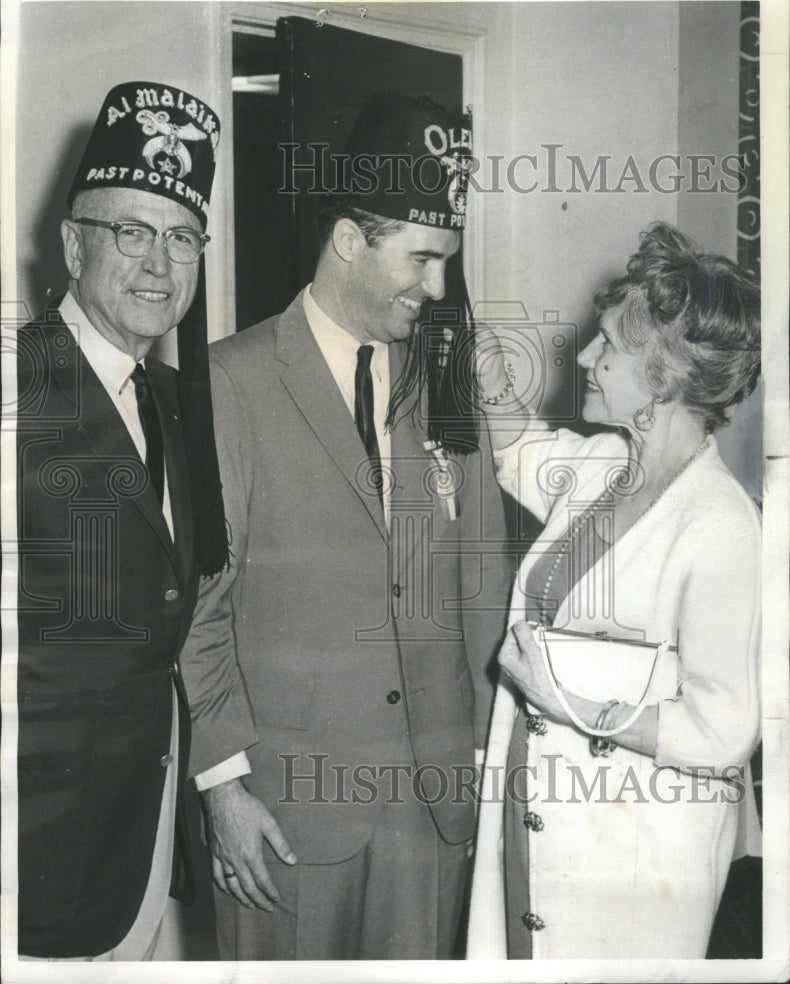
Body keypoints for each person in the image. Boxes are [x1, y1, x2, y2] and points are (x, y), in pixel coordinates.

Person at [178, 92, 511, 960]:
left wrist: (477, 766)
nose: (438, 287)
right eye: (423, 259)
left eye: (447, 262)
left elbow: (483, 587)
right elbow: (200, 606)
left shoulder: (445, 383)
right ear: (351, 239)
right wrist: (223, 788)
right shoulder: (227, 384)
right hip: (284, 815)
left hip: (433, 810)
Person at [467, 222, 762, 959]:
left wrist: (568, 701)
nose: (587, 357)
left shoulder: (723, 524)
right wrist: (486, 373)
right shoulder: (605, 466)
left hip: (637, 865)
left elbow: (724, 729)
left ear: (661, 377)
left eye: (609, 347)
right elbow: (520, 448)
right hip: (540, 829)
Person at [15, 80, 227, 960]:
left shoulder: (178, 403)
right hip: (30, 868)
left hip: (142, 845)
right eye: (130, 232)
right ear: (72, 243)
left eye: (181, 238)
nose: (158, 266)